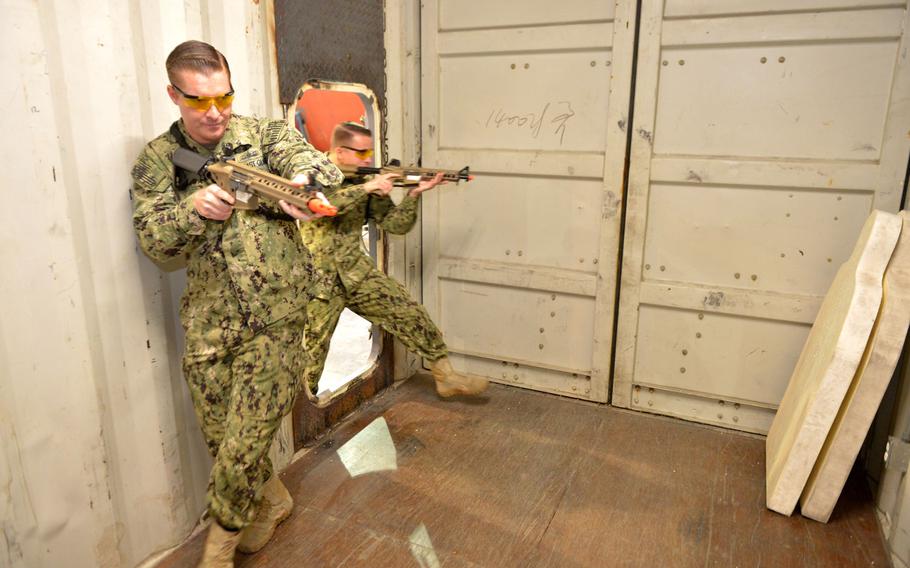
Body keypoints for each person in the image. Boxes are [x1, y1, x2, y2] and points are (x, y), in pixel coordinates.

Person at [130, 40, 343, 566]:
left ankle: (219, 546)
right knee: (222, 435)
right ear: (173, 94)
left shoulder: (263, 134)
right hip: (208, 323)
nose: (216, 112)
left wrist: (303, 186)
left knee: (245, 440)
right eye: (200, 102)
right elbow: (155, 243)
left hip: (277, 313)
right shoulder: (159, 159)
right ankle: (272, 499)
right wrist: (194, 209)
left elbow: (317, 167)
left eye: (224, 97)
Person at [300, 121, 489, 401]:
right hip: (319, 281)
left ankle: (444, 375)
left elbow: (395, 224)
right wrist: (366, 189)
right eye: (362, 154)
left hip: (356, 273)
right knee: (311, 353)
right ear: (340, 151)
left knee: (408, 311)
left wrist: (413, 194)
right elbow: (325, 205)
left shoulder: (365, 179)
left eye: (369, 153)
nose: (368, 160)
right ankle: (302, 411)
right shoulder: (312, 171)